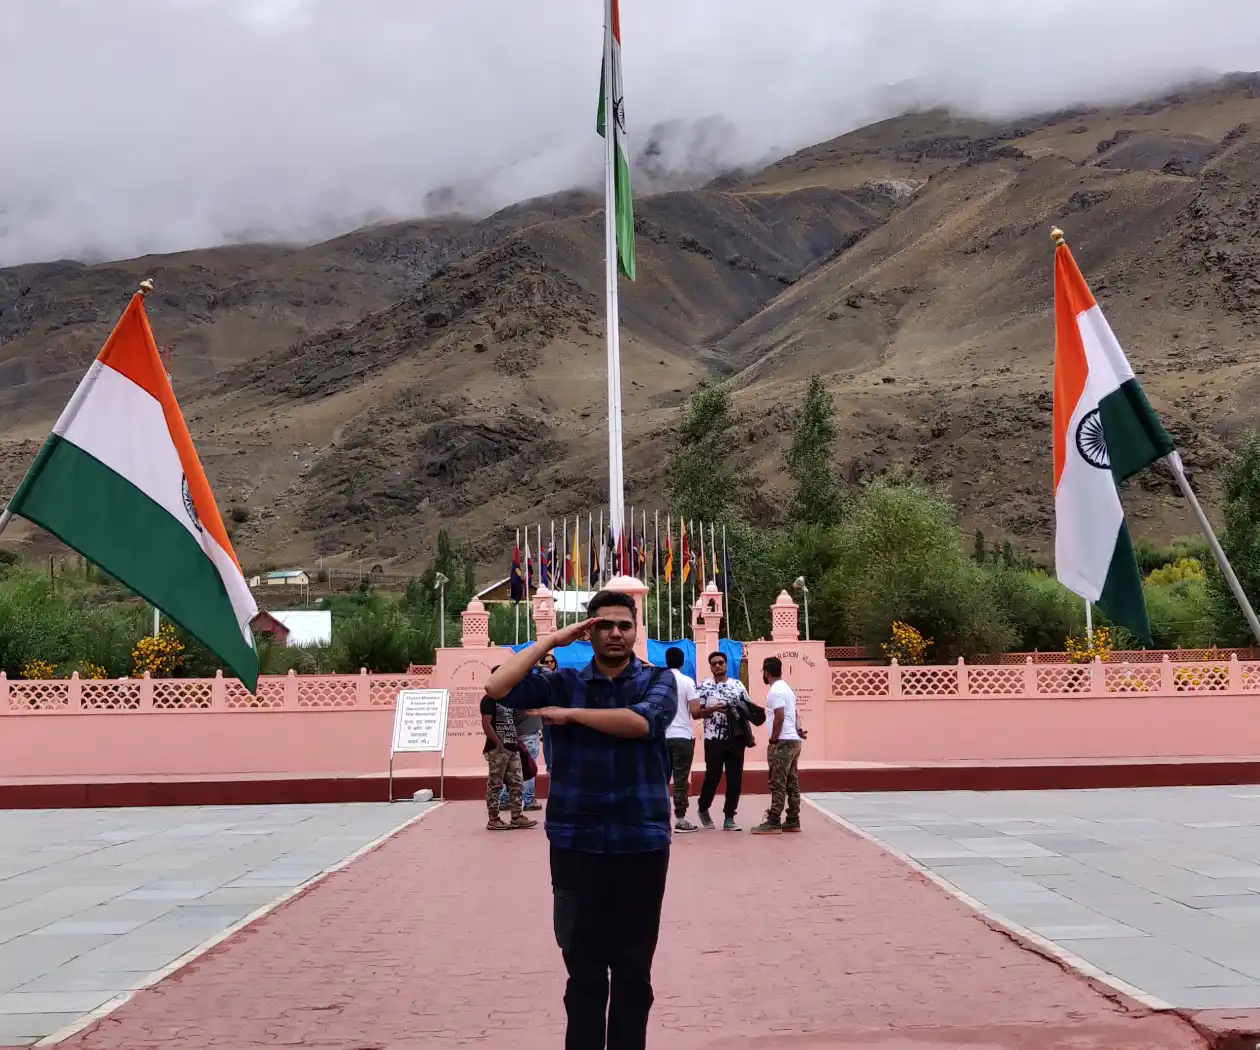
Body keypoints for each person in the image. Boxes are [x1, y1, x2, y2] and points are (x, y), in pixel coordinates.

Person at [485, 589, 677, 1050]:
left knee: (633, 972)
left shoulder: (659, 679)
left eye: (624, 625)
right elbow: (497, 688)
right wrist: (553, 640)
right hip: (576, 842)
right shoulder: (562, 681)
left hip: (641, 842)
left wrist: (571, 715)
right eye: (603, 625)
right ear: (588, 632)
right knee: (584, 972)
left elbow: (641, 723)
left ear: (635, 631)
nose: (615, 633)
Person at [696, 650, 753, 832]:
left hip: (736, 738)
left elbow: (748, 709)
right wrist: (712, 709)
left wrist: (736, 709)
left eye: (721, 662)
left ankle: (729, 817)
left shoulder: (737, 685)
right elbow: (696, 713)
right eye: (714, 663)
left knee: (735, 777)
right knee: (713, 776)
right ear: (710, 667)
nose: (718, 666)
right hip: (713, 738)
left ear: (726, 664)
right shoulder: (703, 686)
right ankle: (703, 807)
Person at [480, 668, 538, 832]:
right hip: (498, 749)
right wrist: (498, 743)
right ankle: (493, 819)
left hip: (513, 746)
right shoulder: (489, 700)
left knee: (517, 782)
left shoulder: (509, 699)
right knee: (495, 783)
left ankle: (516, 816)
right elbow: (486, 724)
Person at [753, 656, 804, 835]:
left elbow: (779, 717)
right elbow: (795, 713)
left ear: (767, 672)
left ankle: (774, 820)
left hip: (783, 741)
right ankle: (793, 819)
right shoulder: (787, 689)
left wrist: (773, 739)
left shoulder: (775, 691)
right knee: (791, 782)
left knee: (777, 782)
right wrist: (798, 730)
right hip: (794, 740)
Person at [662, 646, 701, 834]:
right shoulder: (687, 682)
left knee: (661, 779)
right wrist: (712, 709)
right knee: (680, 779)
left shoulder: (657, 682)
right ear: (682, 662)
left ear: (666, 661)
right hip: (682, 736)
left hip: (661, 737)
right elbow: (695, 711)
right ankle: (680, 819)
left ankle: (660, 818)